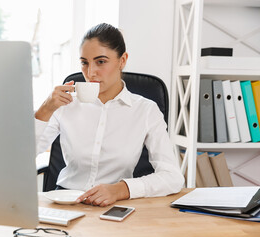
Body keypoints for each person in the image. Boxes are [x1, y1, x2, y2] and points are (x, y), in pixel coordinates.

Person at [35, 23, 184, 207]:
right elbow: (22, 155)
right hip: (67, 203)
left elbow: (173, 177)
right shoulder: (65, 105)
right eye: (84, 63)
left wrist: (121, 189)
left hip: (114, 205)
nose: (90, 73)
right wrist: (45, 109)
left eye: (101, 62)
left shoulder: (146, 110)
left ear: (122, 60)